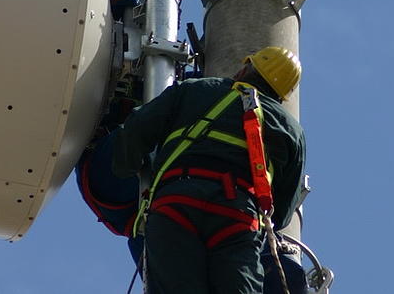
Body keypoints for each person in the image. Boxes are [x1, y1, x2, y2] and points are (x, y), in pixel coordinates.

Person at [111, 46, 305, 294]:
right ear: (282, 96)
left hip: (177, 202)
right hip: (237, 216)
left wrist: (125, 164)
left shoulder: (196, 89)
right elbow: (282, 213)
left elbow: (136, 129)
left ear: (245, 69)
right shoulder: (289, 129)